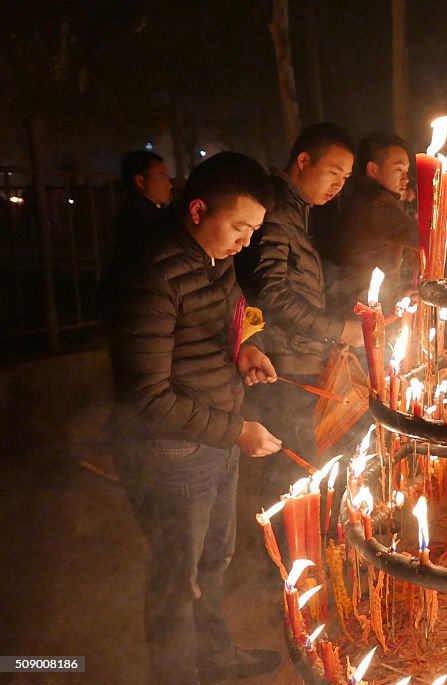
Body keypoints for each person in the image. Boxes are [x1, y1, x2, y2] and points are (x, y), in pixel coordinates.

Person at [104, 152, 283, 684]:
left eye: (254, 230)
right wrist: (236, 431)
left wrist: (245, 344)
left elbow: (232, 302)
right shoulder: (153, 273)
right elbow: (148, 398)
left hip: (215, 435)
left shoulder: (212, 252)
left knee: (211, 565)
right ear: (200, 209)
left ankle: (217, 660)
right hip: (172, 452)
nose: (245, 242)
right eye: (240, 227)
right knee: (177, 581)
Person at [235, 122, 362, 507]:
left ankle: (295, 552)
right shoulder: (275, 213)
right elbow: (272, 294)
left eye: (345, 178)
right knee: (292, 469)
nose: (339, 184)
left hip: (297, 355)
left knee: (301, 463)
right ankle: (288, 559)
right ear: (304, 161)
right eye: (333, 172)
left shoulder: (295, 212)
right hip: (282, 362)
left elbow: (300, 284)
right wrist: (340, 329)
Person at [316, 131, 418, 312]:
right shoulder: (376, 204)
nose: (405, 179)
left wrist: (398, 295)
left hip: (366, 301)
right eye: (398, 169)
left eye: (406, 171)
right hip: (362, 308)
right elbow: (423, 238)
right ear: (373, 170)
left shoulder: (369, 197)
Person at [109, 150, 174, 267]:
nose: (170, 185)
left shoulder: (131, 211)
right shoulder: (144, 219)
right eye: (163, 177)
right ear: (140, 181)